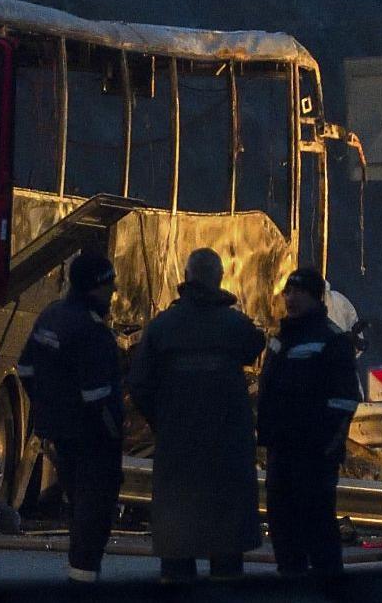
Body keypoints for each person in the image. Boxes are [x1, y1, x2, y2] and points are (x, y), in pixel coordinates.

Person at [127, 248, 266, 582]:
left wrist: (161, 420)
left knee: (177, 549)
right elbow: (256, 344)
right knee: (227, 551)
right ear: (219, 280)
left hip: (178, 448)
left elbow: (139, 383)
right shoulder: (234, 325)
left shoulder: (163, 326)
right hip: (227, 448)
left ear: (186, 278)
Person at [16, 251, 123, 583]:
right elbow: (97, 399)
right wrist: (114, 437)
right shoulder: (94, 333)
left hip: (60, 435)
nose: (113, 291)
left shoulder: (52, 315)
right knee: (93, 517)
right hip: (92, 442)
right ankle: (83, 581)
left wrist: (48, 408)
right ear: (96, 287)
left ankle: (80, 575)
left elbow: (25, 368)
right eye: (109, 285)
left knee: (78, 509)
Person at [257, 267, 361, 582]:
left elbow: (344, 399)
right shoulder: (280, 340)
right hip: (282, 449)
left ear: (316, 297)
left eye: (298, 292)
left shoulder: (331, 339)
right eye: (288, 292)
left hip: (313, 452)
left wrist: (326, 442)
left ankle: (329, 588)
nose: (290, 299)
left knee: (317, 527)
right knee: (283, 526)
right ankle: (292, 585)